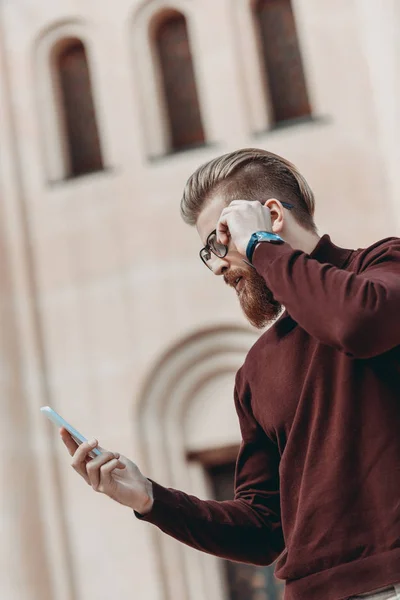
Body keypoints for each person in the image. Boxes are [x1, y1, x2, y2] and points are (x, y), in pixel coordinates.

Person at [61, 148, 400, 600]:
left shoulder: (382, 267)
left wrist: (261, 247)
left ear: (271, 216)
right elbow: (264, 529)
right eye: (209, 253)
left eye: (221, 243)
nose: (218, 265)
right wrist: (150, 499)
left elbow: (357, 323)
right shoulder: (257, 368)